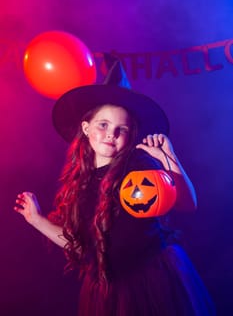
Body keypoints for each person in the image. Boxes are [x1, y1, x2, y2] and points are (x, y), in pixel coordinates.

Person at [14, 57, 215, 315]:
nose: (111, 134)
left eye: (122, 129)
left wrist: (169, 159)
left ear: (131, 135)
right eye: (103, 125)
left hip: (149, 282)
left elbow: (187, 204)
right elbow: (80, 247)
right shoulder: (80, 182)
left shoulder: (139, 165)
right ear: (86, 128)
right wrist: (35, 219)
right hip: (108, 290)